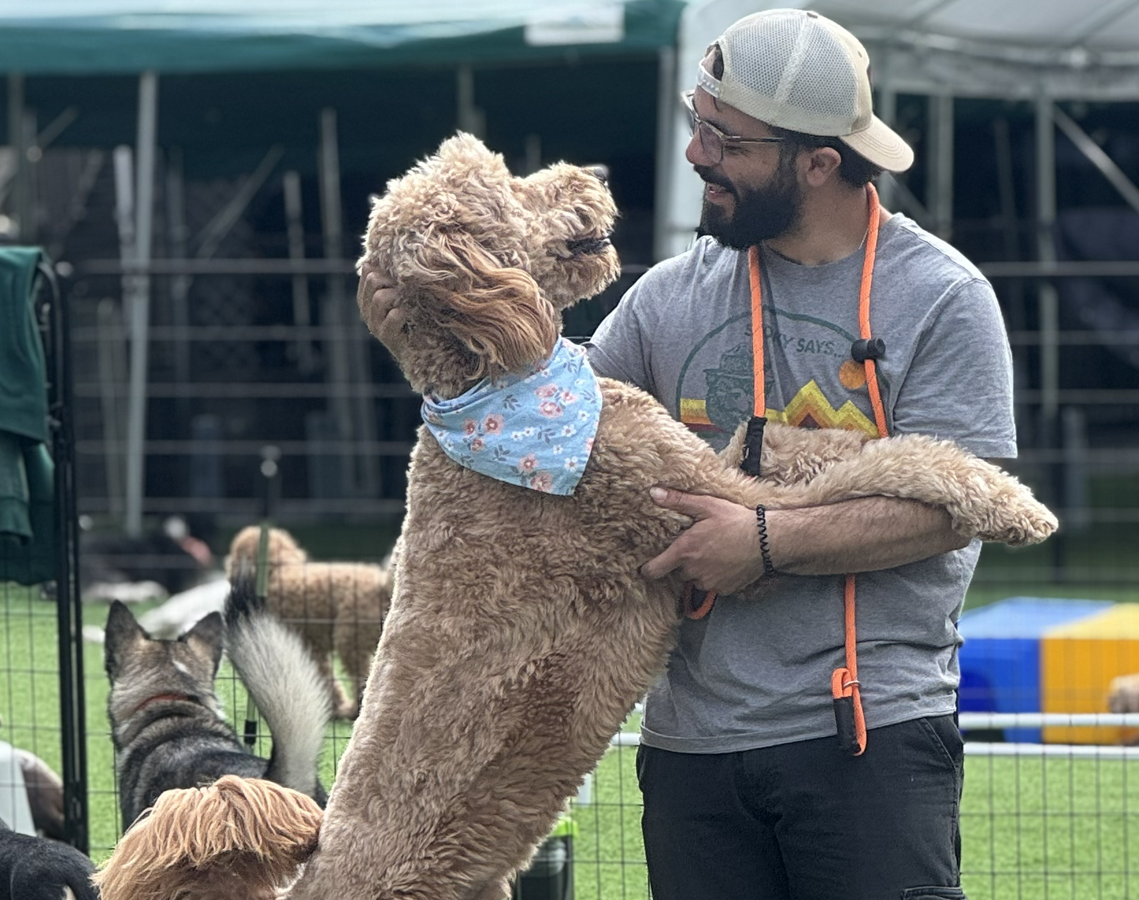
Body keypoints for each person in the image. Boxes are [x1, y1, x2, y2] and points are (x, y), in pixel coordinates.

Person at [358, 10, 1015, 898]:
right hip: (690, 751)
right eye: (694, 123)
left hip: (870, 742)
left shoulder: (943, 297)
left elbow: (951, 508)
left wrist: (764, 542)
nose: (696, 154)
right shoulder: (668, 296)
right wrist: (439, 352)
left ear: (819, 161)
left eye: (724, 137)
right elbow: (545, 433)